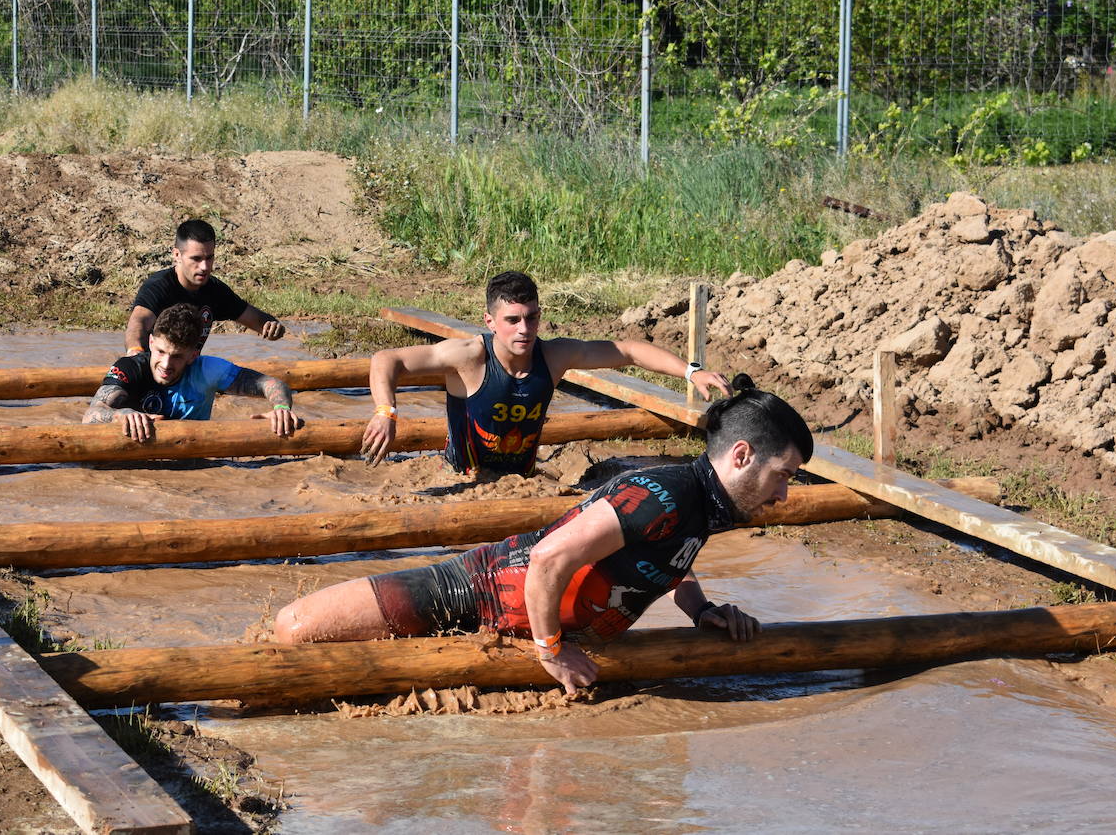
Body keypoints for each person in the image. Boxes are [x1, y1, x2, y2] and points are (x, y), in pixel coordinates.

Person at [277, 374, 812, 695]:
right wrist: (550, 649)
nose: (784, 494)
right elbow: (551, 558)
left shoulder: (706, 507)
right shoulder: (663, 493)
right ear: (741, 456)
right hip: (473, 591)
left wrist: (701, 610)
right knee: (296, 628)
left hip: (517, 621)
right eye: (782, 475)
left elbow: (670, 558)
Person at [360, 270, 732, 476]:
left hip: (524, 479)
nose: (524, 329)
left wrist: (691, 371)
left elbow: (628, 351)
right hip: (462, 476)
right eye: (512, 320)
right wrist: (385, 412)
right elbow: (386, 359)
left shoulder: (554, 356)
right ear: (490, 321)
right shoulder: (468, 357)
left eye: (532, 317)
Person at [88, 303, 299, 441]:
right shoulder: (129, 368)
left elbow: (271, 384)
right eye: (161, 351)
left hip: (192, 458)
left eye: (177, 356)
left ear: (192, 355)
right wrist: (120, 415)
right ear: (151, 342)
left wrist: (281, 408)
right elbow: (90, 415)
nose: (165, 364)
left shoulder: (208, 369)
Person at [123, 218, 284, 355]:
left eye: (209, 258)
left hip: (188, 372)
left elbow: (259, 321)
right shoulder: (159, 286)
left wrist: (273, 327)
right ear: (177, 255)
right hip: (154, 371)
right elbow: (138, 323)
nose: (205, 267)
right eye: (196, 258)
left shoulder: (215, 290)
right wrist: (135, 351)